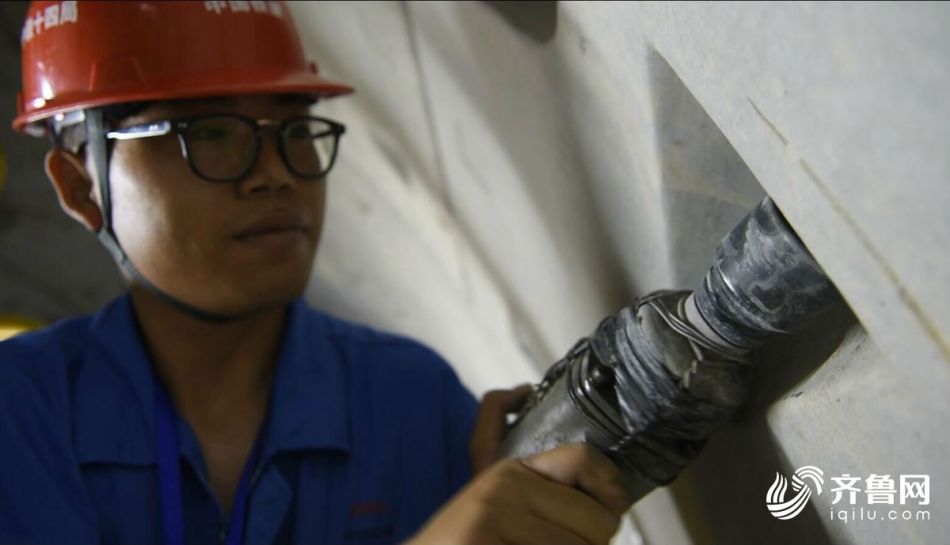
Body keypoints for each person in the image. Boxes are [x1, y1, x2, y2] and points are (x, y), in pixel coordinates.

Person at [0, 2, 633, 544]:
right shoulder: (22, 413)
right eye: (213, 132)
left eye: (296, 126)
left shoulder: (414, 403)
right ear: (82, 186)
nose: (275, 170)